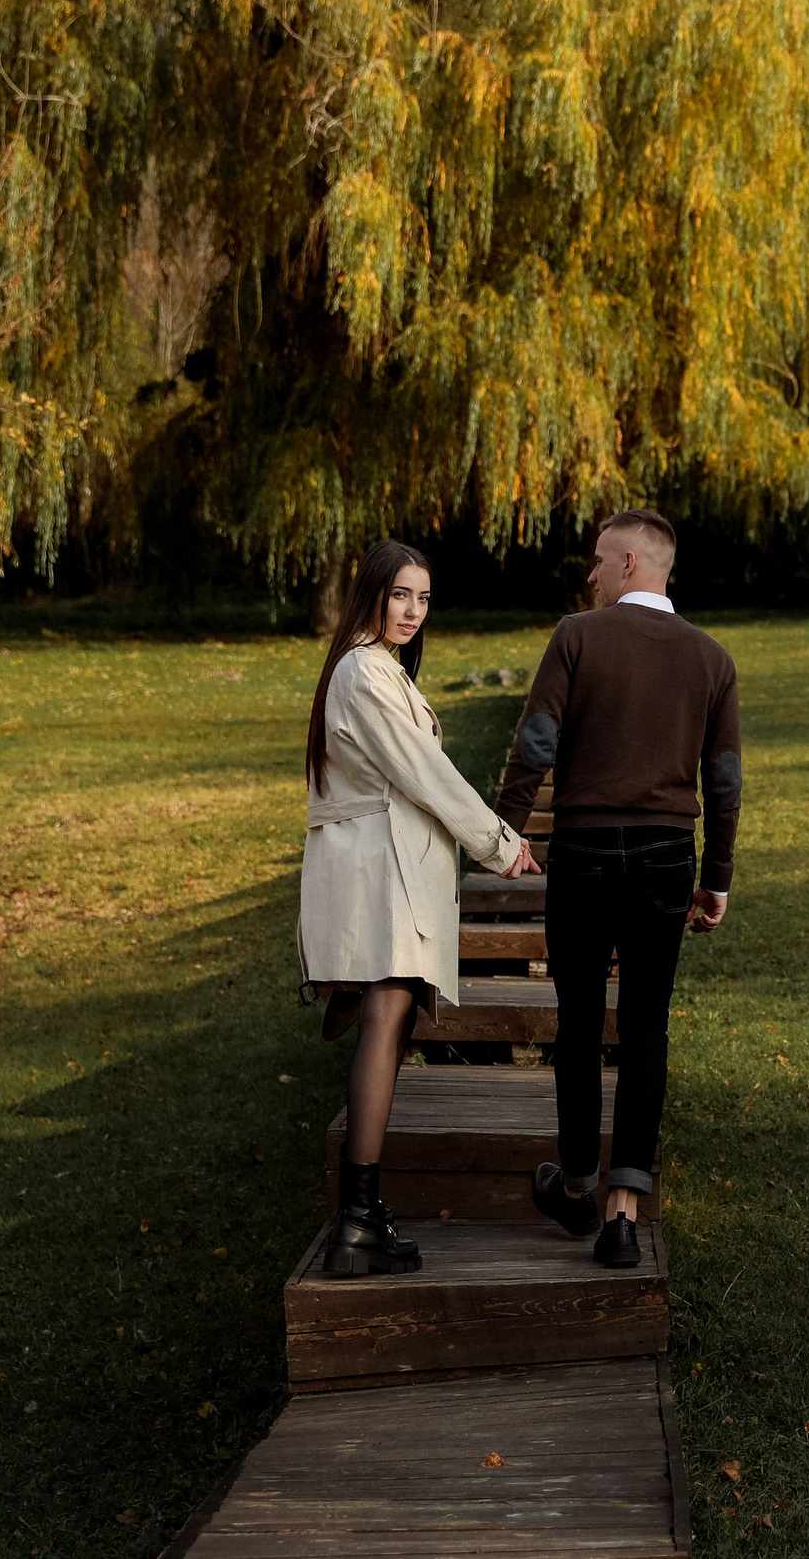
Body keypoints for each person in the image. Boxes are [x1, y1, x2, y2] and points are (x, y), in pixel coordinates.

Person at [498, 509, 739, 1267]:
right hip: (669, 855)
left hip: (585, 852)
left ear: (632, 563)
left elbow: (536, 741)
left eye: (600, 560)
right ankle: (623, 1215)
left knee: (577, 1021)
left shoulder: (577, 635)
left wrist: (504, 834)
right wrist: (717, 877)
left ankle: (574, 1186)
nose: (590, 573)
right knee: (646, 1025)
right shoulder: (711, 658)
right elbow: (723, 781)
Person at [300, 540, 537, 1276]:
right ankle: (356, 1221)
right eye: (401, 595)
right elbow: (424, 774)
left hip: (386, 868)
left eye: (424, 598)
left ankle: (362, 1217)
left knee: (391, 1019)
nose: (412, 611)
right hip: (380, 874)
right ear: (372, 594)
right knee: (386, 1017)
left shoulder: (375, 669)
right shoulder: (365, 672)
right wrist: (501, 843)